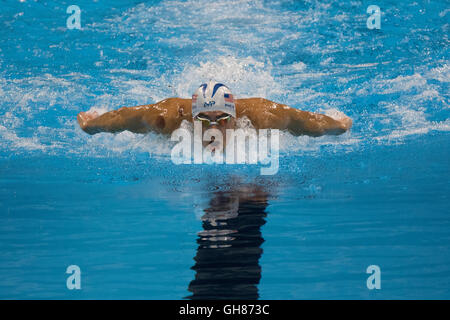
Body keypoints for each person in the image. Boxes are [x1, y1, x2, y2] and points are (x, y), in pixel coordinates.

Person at [77, 80, 352, 140]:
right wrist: (93, 124)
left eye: (222, 118)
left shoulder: (262, 116)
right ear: (191, 116)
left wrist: (338, 125)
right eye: (204, 120)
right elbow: (124, 117)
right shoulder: (167, 117)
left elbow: (306, 121)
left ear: (234, 116)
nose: (212, 128)